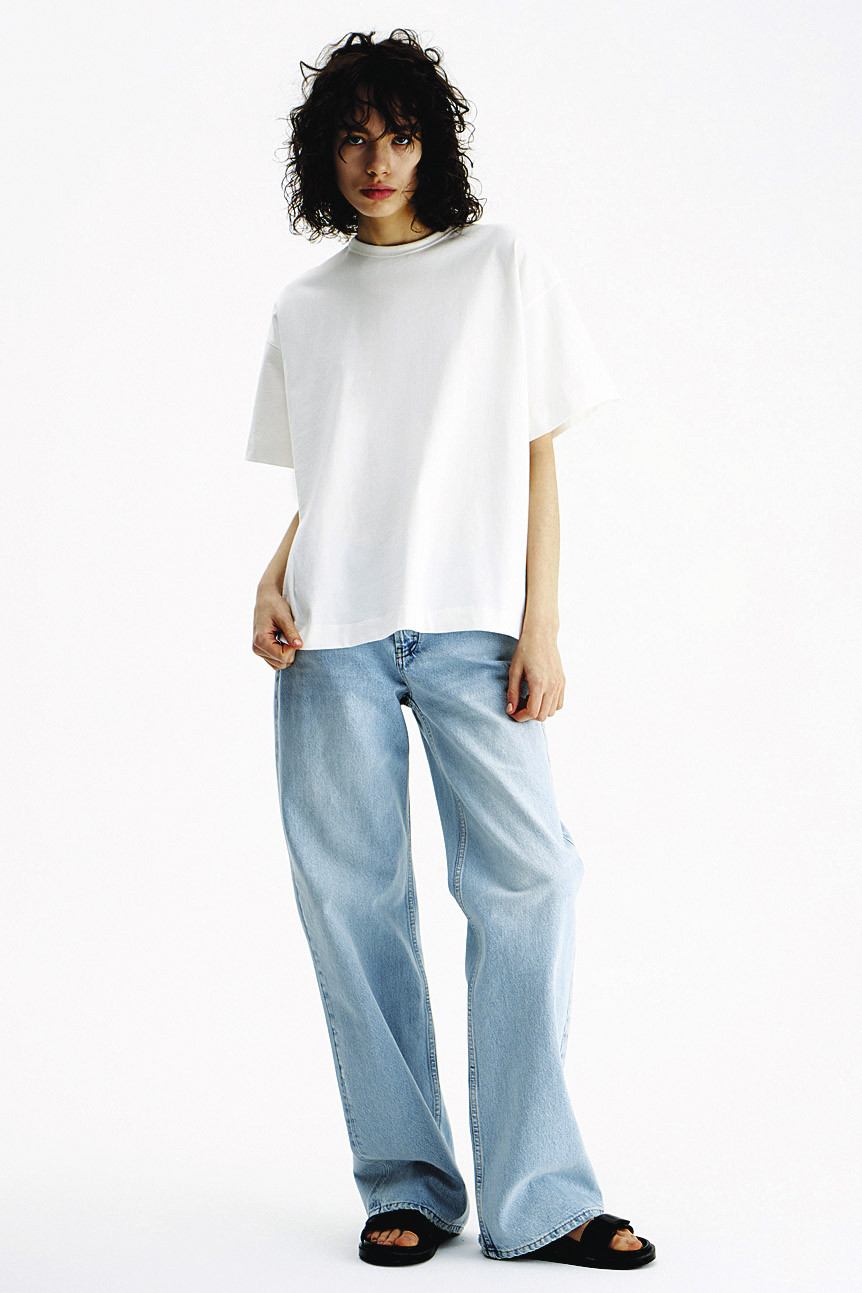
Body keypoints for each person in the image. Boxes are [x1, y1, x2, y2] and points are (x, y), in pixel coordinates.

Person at [244, 28, 655, 1270]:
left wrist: (543, 624)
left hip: (475, 629)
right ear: (324, 157)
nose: (376, 159)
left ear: (432, 145)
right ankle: (408, 1184)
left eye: (398, 134)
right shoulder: (306, 306)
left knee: (531, 884)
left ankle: (540, 1197)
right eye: (352, 139)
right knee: (352, 907)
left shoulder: (499, 265)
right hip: (330, 638)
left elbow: (534, 453)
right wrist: (270, 574)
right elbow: (337, 476)